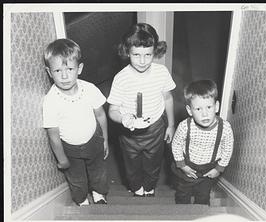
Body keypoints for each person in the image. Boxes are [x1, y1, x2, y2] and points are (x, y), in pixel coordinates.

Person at [107, 23, 176, 197]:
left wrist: (171, 125)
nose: (143, 61)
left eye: (148, 55)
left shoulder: (161, 72)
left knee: (154, 163)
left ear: (155, 52)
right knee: (131, 164)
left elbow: (168, 98)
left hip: (156, 128)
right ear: (127, 52)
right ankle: (136, 187)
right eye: (136, 55)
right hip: (129, 134)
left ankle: (150, 186)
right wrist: (124, 119)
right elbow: (113, 110)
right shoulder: (121, 78)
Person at [42, 38, 109, 206]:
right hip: (69, 148)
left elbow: (101, 115)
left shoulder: (90, 89)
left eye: (70, 69)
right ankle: (81, 200)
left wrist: (105, 139)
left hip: (94, 139)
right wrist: (62, 158)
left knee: (98, 172)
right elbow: (53, 135)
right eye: (57, 71)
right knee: (77, 179)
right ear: (49, 72)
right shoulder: (50, 101)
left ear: (79, 69)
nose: (64, 76)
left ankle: (99, 193)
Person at [171, 80, 234, 204]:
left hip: (209, 169)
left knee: (203, 195)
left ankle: (200, 216)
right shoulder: (185, 126)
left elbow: (228, 149)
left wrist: (219, 169)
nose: (204, 114)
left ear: (216, 106)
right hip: (188, 167)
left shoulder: (225, 128)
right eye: (198, 109)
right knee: (183, 193)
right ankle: (182, 214)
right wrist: (183, 166)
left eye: (209, 107)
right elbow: (176, 144)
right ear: (189, 110)